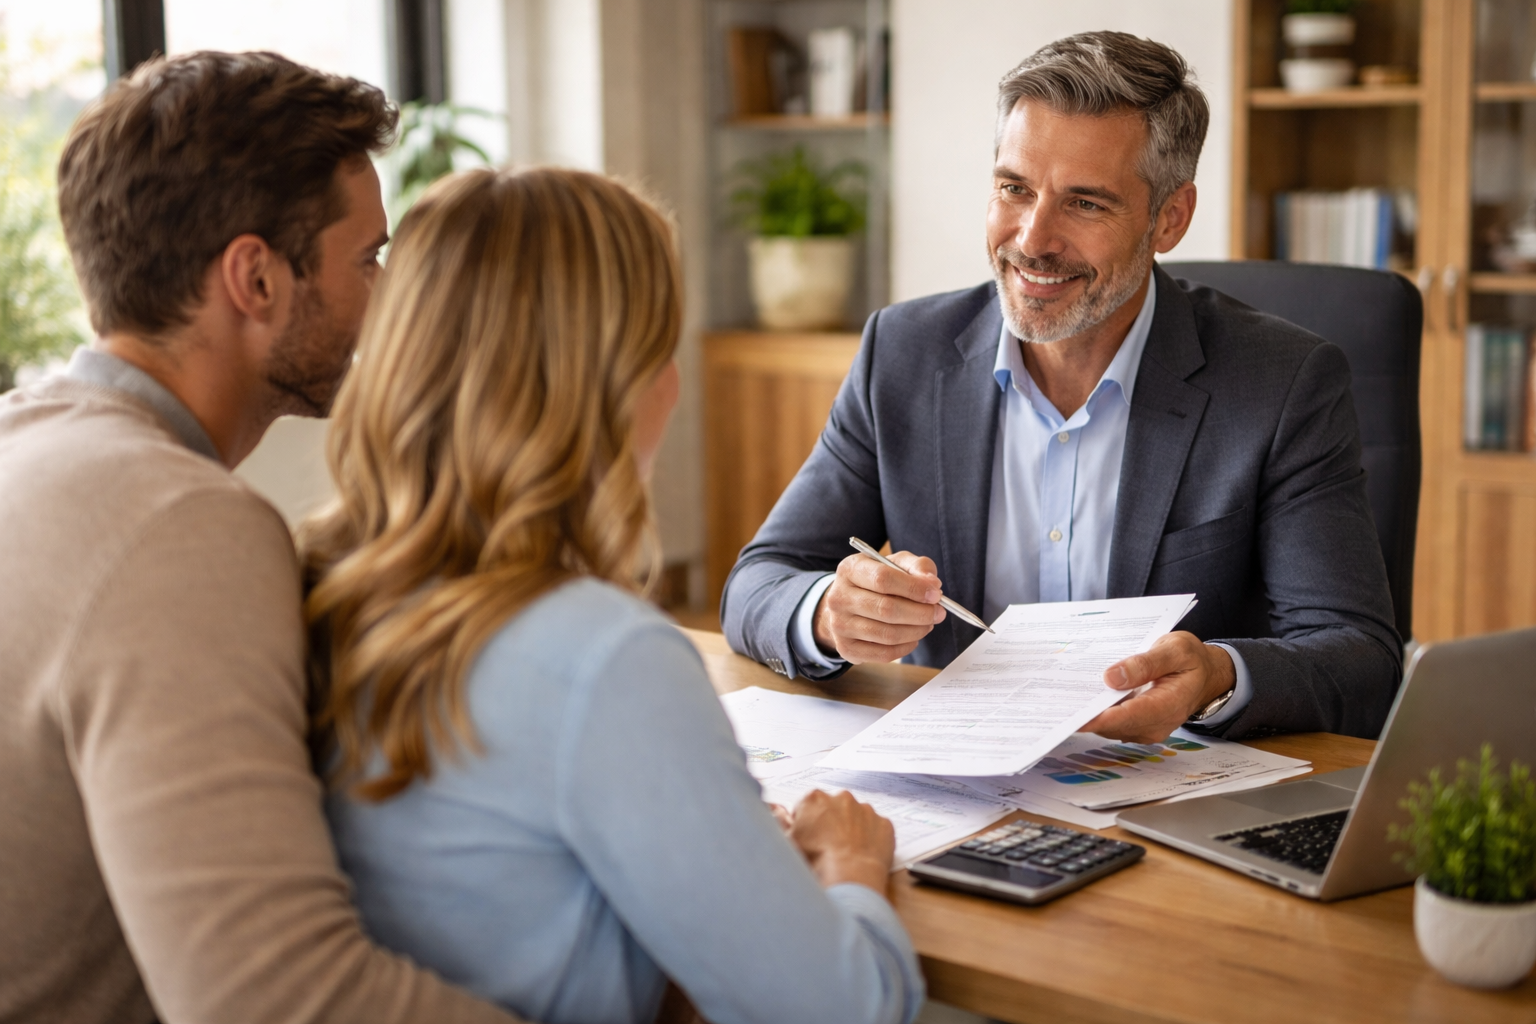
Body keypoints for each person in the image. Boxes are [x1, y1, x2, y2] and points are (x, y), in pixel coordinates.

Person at [299, 166, 925, 1024]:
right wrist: (854, 864)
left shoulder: (316, 584)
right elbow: (841, 1007)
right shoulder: (603, 656)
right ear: (625, 383)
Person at [0, 51, 527, 1024]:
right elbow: (281, 998)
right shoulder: (178, 523)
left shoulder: (25, 441)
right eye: (369, 258)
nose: (386, 298)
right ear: (255, 277)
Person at [723, 31, 1402, 743]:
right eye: (1014, 189)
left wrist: (1218, 676)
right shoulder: (903, 353)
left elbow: (1359, 659)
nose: (1033, 238)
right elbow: (758, 582)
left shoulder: (1282, 382)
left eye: (1085, 204)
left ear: (1169, 217)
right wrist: (829, 611)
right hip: (953, 781)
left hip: (1168, 792)